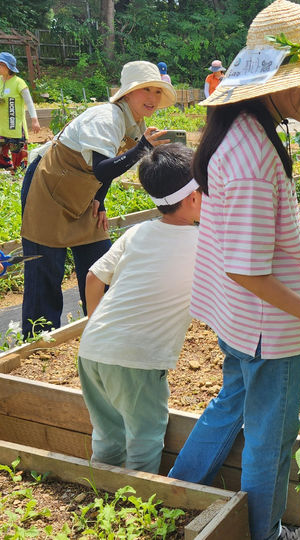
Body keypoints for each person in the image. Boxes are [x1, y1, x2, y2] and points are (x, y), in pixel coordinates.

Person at [165, 1, 300, 539]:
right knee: (271, 436)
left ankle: (176, 490)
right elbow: (248, 269)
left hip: (243, 319)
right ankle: (267, 534)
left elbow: (260, 243)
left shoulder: (244, 129)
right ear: (285, 86)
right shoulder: (250, 158)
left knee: (231, 402)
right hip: (271, 327)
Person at [20, 60, 175, 338]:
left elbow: (106, 169)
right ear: (127, 93)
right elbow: (102, 168)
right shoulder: (107, 118)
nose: (152, 98)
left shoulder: (135, 124)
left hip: (82, 195)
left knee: (101, 261)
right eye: (145, 90)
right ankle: (39, 346)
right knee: (45, 270)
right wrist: (143, 148)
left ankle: (103, 332)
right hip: (47, 188)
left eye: (157, 92)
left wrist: (100, 201)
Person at [77, 143, 201, 474]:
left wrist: (95, 324)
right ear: (192, 197)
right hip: (138, 358)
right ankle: (136, 502)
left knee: (108, 432)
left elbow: (92, 278)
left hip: (92, 349)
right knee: (145, 435)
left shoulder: (137, 232)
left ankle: (103, 491)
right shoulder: (204, 243)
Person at [0, 52, 40, 171]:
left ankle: (18, 174)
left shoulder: (19, 82)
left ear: (9, 67)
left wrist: (35, 120)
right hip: (2, 125)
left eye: (1, 65)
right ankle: (8, 169)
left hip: (14, 124)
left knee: (17, 152)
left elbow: (29, 102)